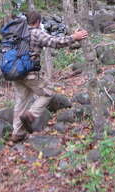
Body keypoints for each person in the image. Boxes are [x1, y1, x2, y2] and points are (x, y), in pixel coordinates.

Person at [10, 11, 89, 142]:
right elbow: (55, 42)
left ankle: (17, 133)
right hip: (29, 74)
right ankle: (30, 115)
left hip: (14, 73)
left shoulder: (17, 33)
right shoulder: (36, 32)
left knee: (21, 101)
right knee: (48, 93)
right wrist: (74, 37)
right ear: (38, 22)